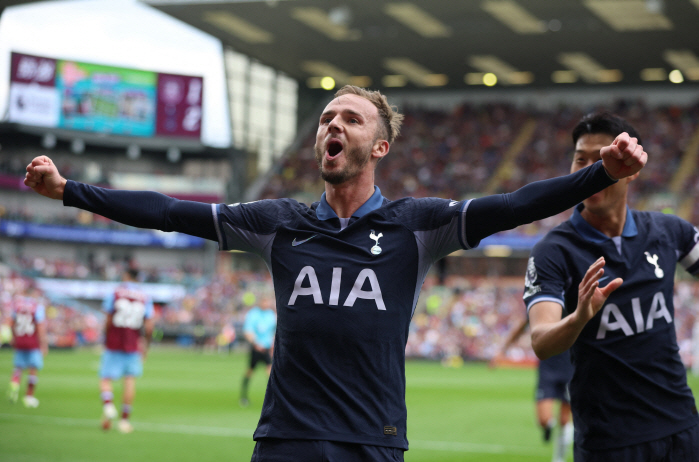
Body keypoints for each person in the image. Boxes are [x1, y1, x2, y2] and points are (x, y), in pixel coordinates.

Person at [24, 86, 646, 461]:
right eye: (326, 117)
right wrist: (68, 190)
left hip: (373, 443)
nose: (332, 124)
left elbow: (513, 206)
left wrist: (601, 174)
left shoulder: (417, 225)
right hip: (286, 440)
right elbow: (167, 211)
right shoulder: (278, 222)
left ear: (379, 147)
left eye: (349, 118)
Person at [524, 112, 699, 461]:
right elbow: (541, 342)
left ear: (630, 169)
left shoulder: (669, 232)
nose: (591, 170)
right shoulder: (553, 250)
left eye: (603, 159)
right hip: (608, 441)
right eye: (581, 160)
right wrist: (578, 318)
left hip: (682, 428)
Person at [491, 316, 573, 462]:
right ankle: (548, 428)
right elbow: (522, 325)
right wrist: (503, 349)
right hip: (548, 366)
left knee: (565, 420)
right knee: (544, 419)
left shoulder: (575, 299)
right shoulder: (545, 299)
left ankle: (558, 459)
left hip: (570, 366)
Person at [99, 268, 154, 433]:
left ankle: (108, 406)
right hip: (133, 344)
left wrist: (105, 337)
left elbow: (108, 320)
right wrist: (146, 346)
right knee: (130, 381)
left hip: (114, 342)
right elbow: (149, 326)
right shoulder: (145, 297)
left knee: (106, 379)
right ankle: (124, 420)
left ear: (126, 276)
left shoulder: (115, 293)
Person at [7, 289, 48, 408]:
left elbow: (11, 322)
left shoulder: (17, 306)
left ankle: (14, 385)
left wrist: (13, 337)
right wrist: (43, 344)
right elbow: (40, 327)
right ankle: (29, 396)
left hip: (19, 340)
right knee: (33, 369)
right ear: (33, 294)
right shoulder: (37, 307)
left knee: (18, 367)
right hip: (32, 342)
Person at [240, 294, 277, 407]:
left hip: (267, 348)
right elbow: (248, 330)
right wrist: (255, 343)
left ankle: (274, 399)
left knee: (270, 373)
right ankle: (243, 396)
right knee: (250, 371)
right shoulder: (253, 314)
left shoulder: (272, 315)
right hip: (256, 348)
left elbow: (276, 331)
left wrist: (272, 345)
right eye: (264, 302)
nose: (266, 304)